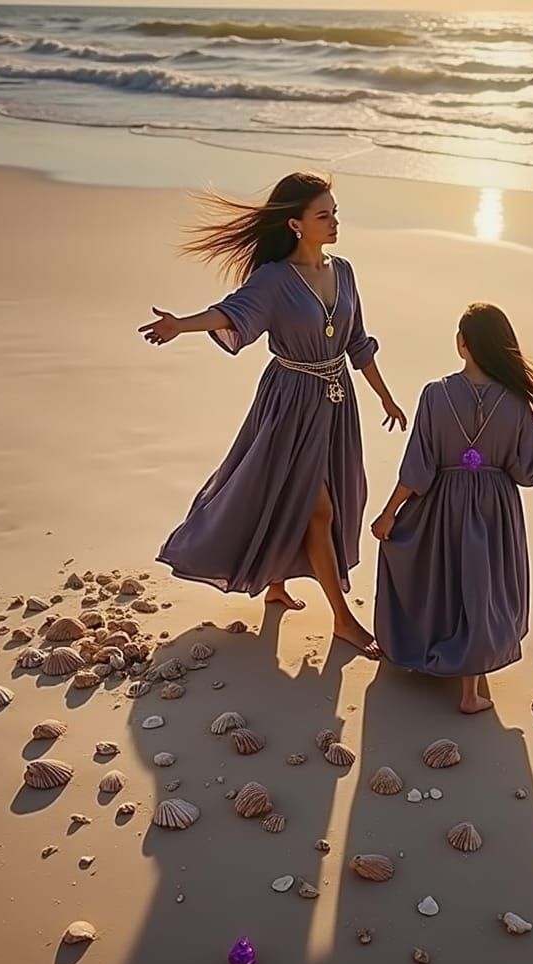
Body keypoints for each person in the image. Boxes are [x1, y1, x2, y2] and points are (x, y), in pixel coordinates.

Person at [139, 172, 405, 658]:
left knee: (308, 498)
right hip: (290, 401)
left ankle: (277, 582)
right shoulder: (275, 279)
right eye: (323, 215)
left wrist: (385, 396)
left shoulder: (343, 272)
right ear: (296, 223)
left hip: (336, 401)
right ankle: (343, 620)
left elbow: (358, 343)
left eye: (335, 213)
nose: (334, 222)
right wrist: (183, 324)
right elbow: (230, 312)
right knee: (316, 506)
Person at [371, 302, 533, 711]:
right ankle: (470, 692)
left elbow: (418, 468)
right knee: (480, 588)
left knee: (440, 578)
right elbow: (532, 468)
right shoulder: (516, 402)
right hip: (494, 511)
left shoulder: (435, 395)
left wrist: (389, 513)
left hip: (441, 505)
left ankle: (427, 653)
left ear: (463, 344)